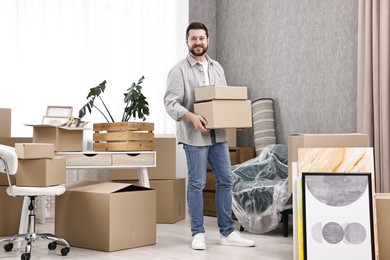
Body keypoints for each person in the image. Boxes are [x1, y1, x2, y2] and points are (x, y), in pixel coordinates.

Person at [164, 22, 256, 250]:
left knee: (226, 180)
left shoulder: (217, 67)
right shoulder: (178, 71)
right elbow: (170, 103)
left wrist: (236, 122)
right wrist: (192, 117)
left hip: (219, 137)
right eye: (193, 38)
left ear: (208, 40)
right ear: (187, 41)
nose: (198, 42)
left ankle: (227, 232)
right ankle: (198, 233)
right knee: (197, 184)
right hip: (194, 137)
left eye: (201, 38)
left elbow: (222, 101)